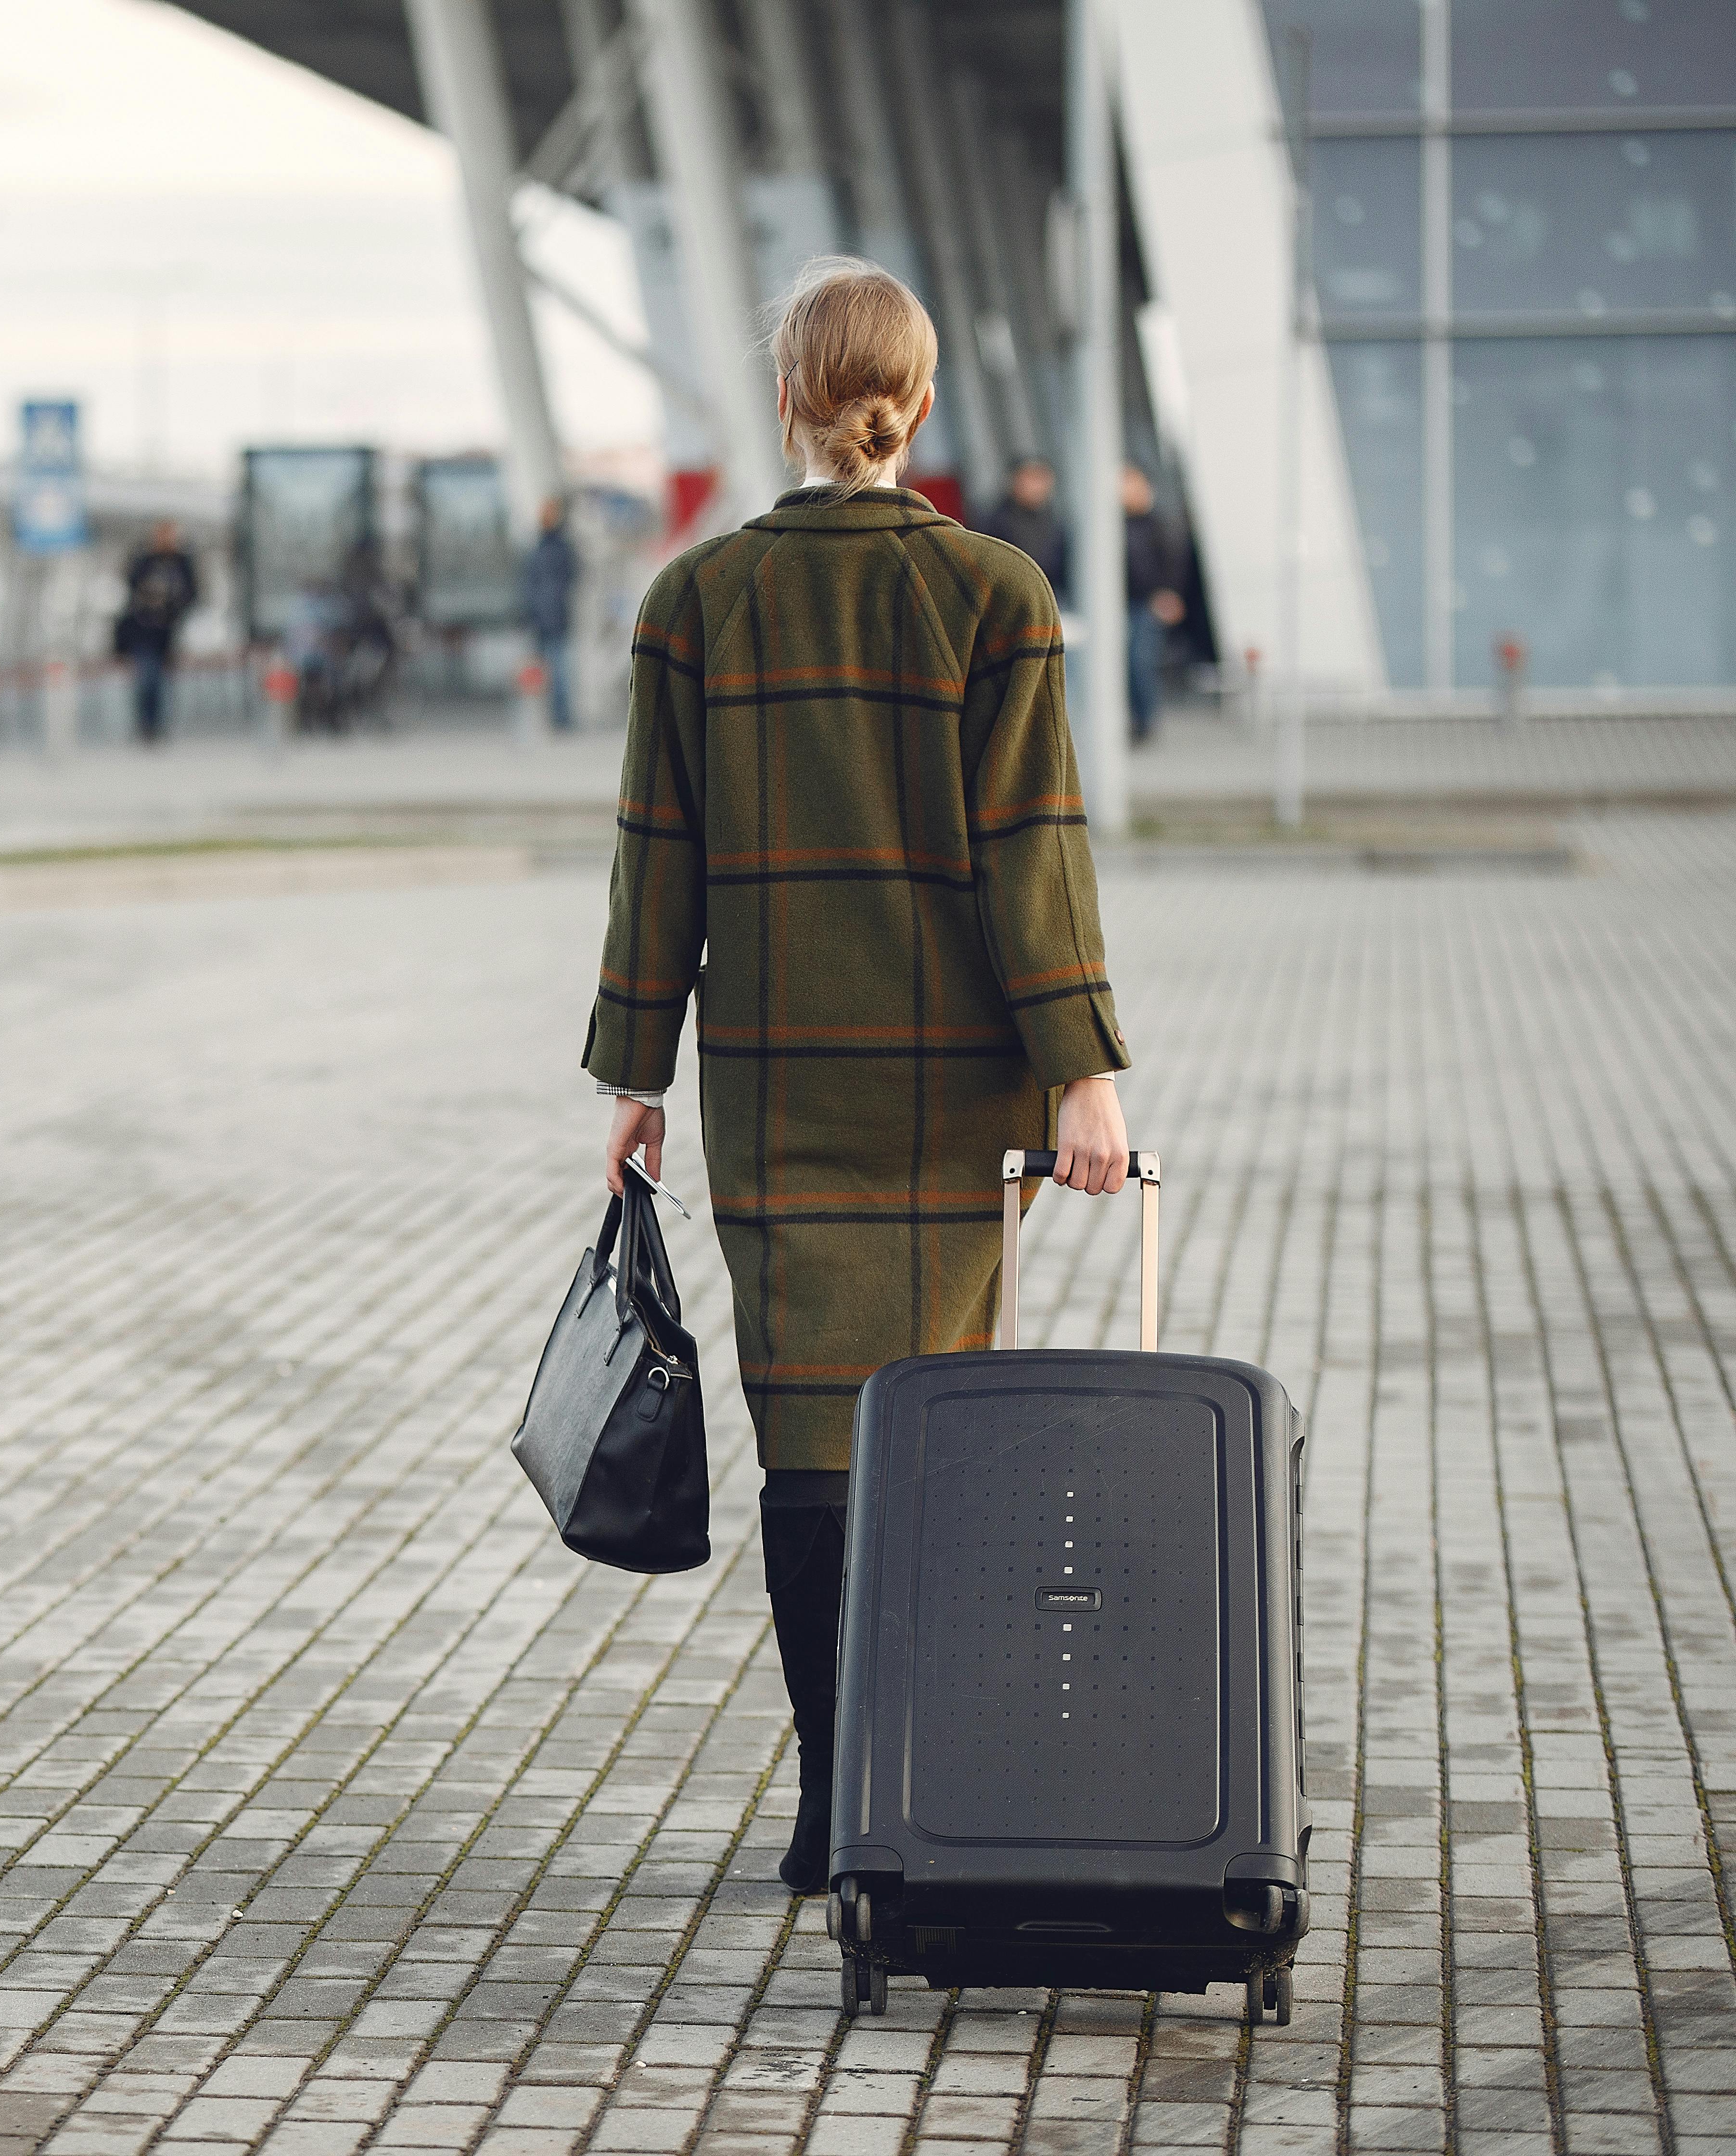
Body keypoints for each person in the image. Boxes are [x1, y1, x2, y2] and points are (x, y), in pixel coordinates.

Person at [587, 257, 1133, 1897]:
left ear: (787, 400)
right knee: (935, 1429)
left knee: (810, 1443)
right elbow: (1036, 857)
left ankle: (835, 1800)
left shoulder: (696, 597)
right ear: (922, 399)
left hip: (774, 1085)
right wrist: (1085, 1077)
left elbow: (653, 861)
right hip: (956, 1088)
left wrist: (637, 1073)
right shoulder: (997, 591)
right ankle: (918, 1791)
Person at [113, 522, 199, 746]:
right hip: (142, 632)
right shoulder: (144, 560)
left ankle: (155, 724)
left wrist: (172, 603)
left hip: (167, 633)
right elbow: (131, 585)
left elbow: (192, 594)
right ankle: (147, 725)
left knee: (161, 680)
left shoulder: (182, 562)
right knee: (148, 678)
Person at [1121, 464, 1187, 745]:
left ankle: (1145, 721)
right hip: (1118, 606)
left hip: (1148, 604)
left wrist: (1170, 595)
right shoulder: (1110, 525)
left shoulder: (1160, 524)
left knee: (1140, 662)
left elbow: (1175, 564)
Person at [520, 495, 581, 733]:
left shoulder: (553, 549)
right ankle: (553, 717)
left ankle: (560, 718)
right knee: (550, 670)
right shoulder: (546, 549)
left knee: (558, 669)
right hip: (545, 618)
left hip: (554, 618)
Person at [974, 455, 1071, 602]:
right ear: (1015, 480)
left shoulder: (1056, 522)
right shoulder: (995, 521)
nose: (1037, 486)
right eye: (1032, 478)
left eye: (1041, 479)